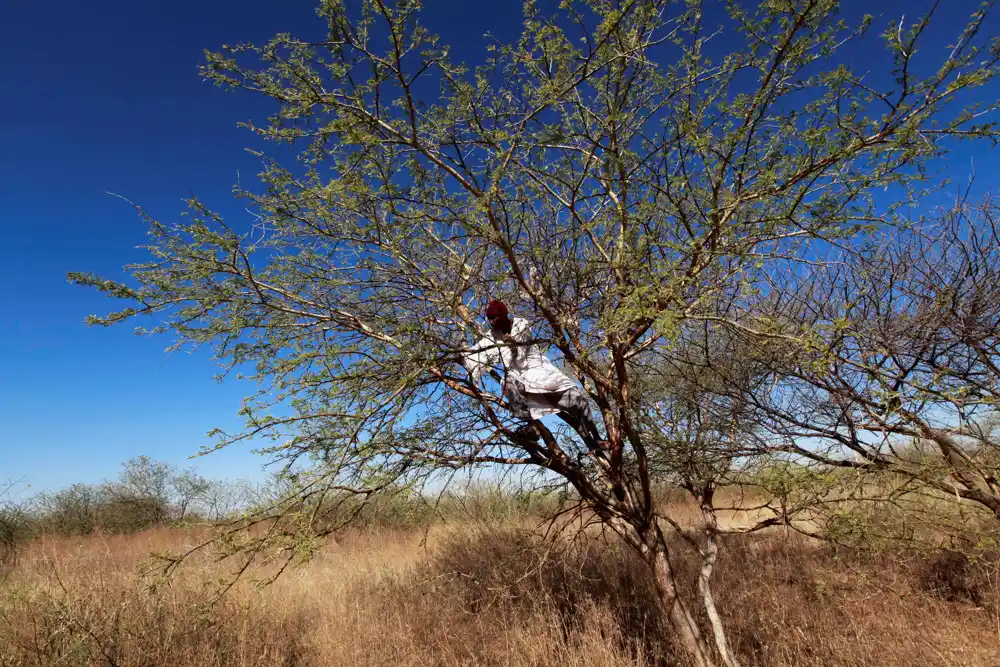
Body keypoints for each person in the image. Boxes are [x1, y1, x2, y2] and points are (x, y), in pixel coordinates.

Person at [463, 300, 606, 450]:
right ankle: (532, 426)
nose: (491, 322)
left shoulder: (521, 324)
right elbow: (477, 352)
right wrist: (463, 357)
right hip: (520, 380)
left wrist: (510, 344)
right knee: (508, 382)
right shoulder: (492, 337)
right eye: (489, 318)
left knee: (578, 399)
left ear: (503, 315)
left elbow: (520, 349)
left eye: (494, 317)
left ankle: (596, 439)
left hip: (541, 373)